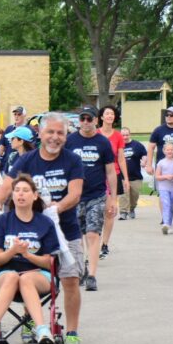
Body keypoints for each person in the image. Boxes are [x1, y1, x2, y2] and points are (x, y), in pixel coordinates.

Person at [0, 112, 85, 344]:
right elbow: (6, 186)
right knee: (26, 270)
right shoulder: (27, 160)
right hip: (32, 230)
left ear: (66, 136)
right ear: (40, 134)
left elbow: (74, 194)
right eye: (50, 132)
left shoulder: (72, 160)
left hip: (65, 230)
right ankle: (32, 319)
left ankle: (72, 333)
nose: (55, 137)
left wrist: (57, 208)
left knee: (70, 279)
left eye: (60, 133)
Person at [0, 174, 60, 344]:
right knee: (13, 276)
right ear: (12, 195)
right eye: (16, 191)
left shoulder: (45, 223)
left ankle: (42, 330)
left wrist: (27, 255)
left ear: (35, 195)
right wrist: (13, 251)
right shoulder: (2, 221)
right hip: (5, 273)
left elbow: (49, 261)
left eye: (25, 191)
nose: (20, 194)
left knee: (25, 279)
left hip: (38, 274)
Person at [65, 106, 116, 292]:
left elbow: (110, 171)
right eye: (82, 119)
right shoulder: (70, 141)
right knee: (76, 237)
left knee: (93, 234)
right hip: (75, 197)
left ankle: (92, 275)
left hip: (97, 195)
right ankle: (80, 270)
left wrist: (112, 199)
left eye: (89, 118)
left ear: (96, 120)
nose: (85, 122)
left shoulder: (102, 142)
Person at [146, 106, 173, 223]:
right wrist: (149, 164)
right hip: (163, 166)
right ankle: (165, 217)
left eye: (171, 115)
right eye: (167, 115)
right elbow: (151, 147)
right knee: (163, 192)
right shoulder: (159, 130)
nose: (168, 117)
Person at [97, 105, 129, 259]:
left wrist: (126, 178)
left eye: (112, 114)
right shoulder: (95, 134)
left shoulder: (118, 136)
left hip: (113, 175)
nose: (110, 116)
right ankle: (94, 242)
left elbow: (121, 158)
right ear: (101, 117)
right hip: (96, 176)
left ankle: (105, 244)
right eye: (107, 113)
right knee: (96, 211)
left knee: (110, 211)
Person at [119, 127, 147, 220]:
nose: (125, 137)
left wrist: (144, 161)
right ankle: (123, 212)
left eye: (127, 135)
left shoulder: (137, 145)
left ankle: (132, 208)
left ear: (130, 134)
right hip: (122, 176)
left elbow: (144, 154)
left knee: (134, 196)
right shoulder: (118, 146)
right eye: (123, 135)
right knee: (124, 195)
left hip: (135, 176)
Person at [155, 143, 173, 234]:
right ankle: (165, 224)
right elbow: (157, 176)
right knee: (166, 204)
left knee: (170, 206)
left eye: (171, 150)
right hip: (163, 187)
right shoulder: (161, 162)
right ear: (164, 151)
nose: (169, 151)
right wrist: (165, 177)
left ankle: (169, 225)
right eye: (168, 150)